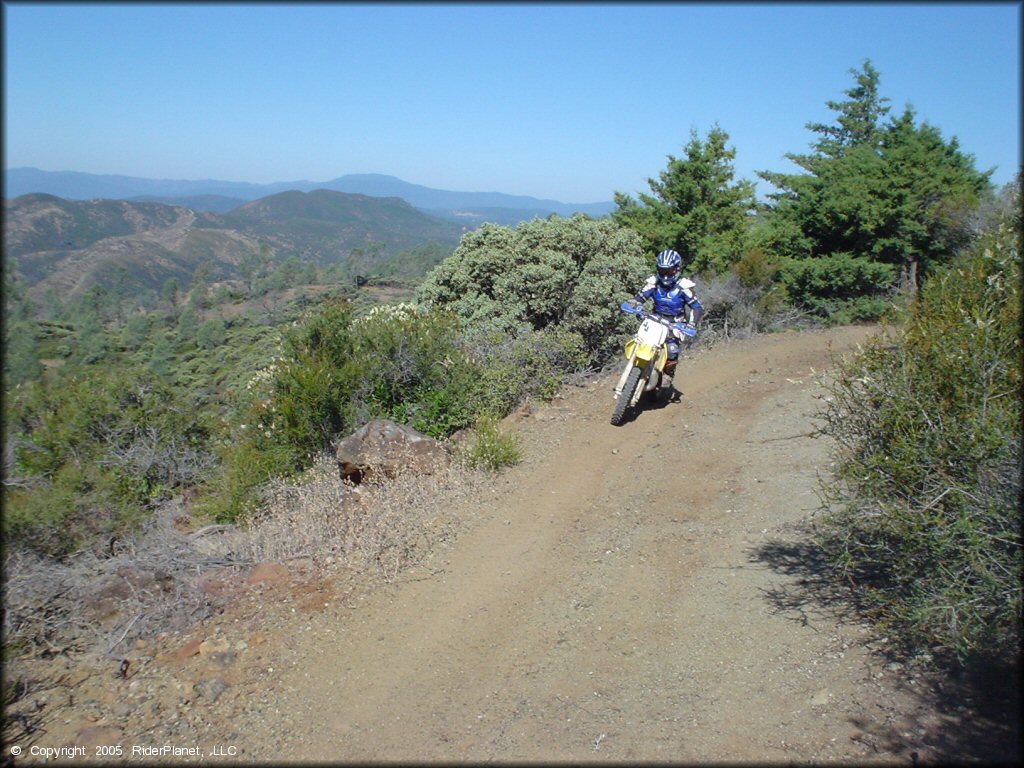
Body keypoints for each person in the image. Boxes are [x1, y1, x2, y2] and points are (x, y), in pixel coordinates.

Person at [628, 248, 703, 383]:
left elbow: (696, 307)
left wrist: (691, 324)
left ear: (677, 269)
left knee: (672, 350)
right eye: (663, 271)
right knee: (637, 341)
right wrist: (635, 303)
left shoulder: (684, 287)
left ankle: (668, 374)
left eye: (669, 271)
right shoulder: (654, 282)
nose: (666, 275)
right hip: (654, 320)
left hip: (675, 324)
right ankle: (634, 370)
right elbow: (641, 296)